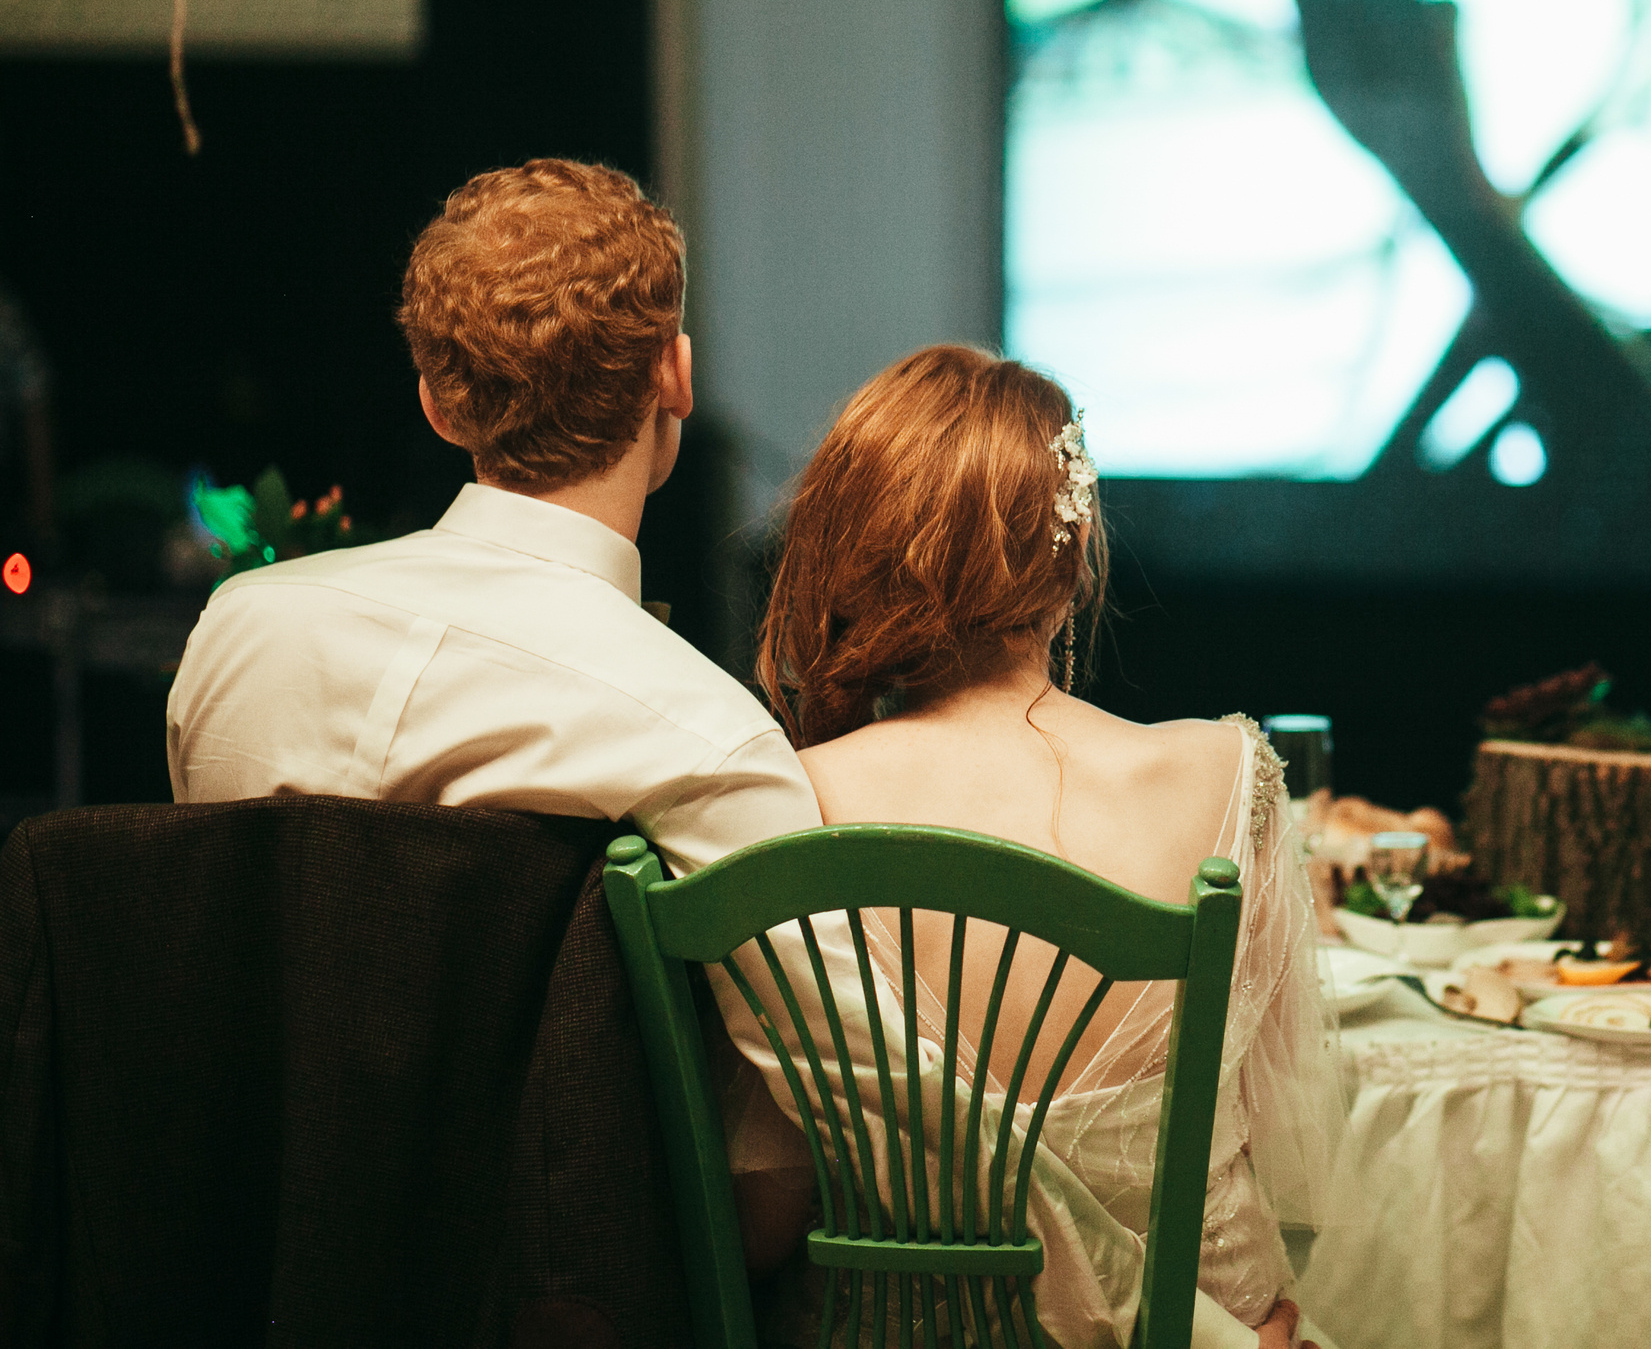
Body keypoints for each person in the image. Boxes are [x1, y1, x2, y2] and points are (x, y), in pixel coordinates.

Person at [165, 158, 827, 1263]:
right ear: (676, 375)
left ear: (436, 396)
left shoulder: (237, 638)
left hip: (234, 1269)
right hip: (542, 1294)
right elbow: (854, 1085)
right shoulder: (702, 732)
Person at [757, 345, 1341, 1349]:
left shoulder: (788, 805)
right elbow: (1277, 1139)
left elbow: (766, 1208)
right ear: (1069, 557)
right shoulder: (1223, 775)